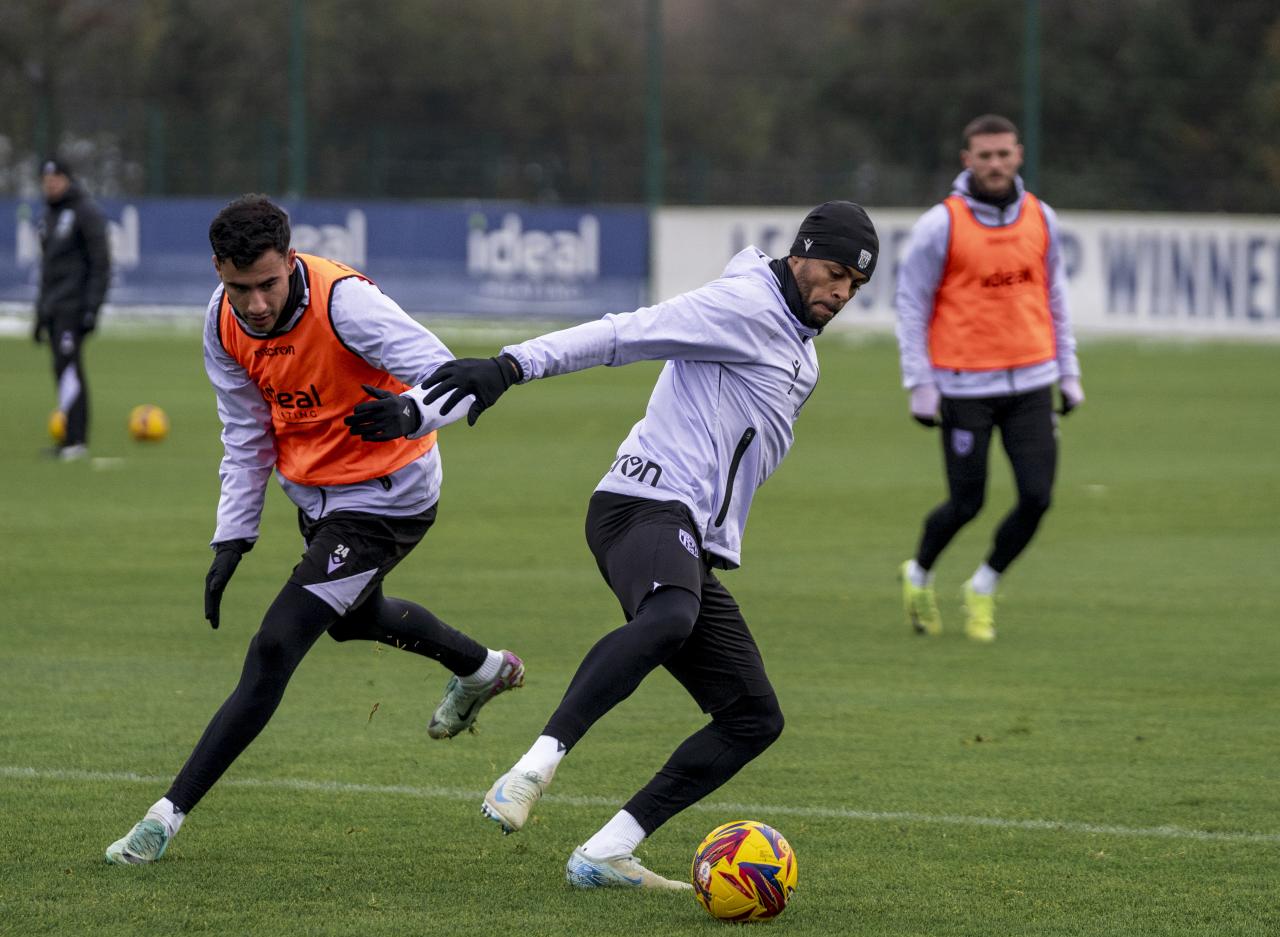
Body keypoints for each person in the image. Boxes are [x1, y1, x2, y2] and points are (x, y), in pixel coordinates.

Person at [354, 201, 878, 890]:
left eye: (855, 286)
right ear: (803, 252)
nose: (840, 293)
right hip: (642, 505)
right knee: (669, 617)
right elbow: (620, 335)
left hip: (685, 538)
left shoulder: (797, 347)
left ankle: (607, 851)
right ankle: (531, 768)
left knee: (753, 717)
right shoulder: (743, 305)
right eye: (834, 273)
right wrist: (507, 368)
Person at [104, 194, 524, 865]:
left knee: (275, 645)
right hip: (321, 498)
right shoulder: (221, 323)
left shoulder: (345, 304)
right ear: (218, 271)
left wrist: (409, 415)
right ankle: (484, 669)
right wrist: (233, 536)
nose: (256, 304)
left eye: (267, 284)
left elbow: (452, 375)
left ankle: (163, 819)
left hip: (390, 495)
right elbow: (246, 434)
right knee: (356, 619)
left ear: (290, 261)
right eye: (239, 287)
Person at [895, 114, 1084, 643]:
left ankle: (983, 584)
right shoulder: (942, 224)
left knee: (1037, 497)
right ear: (967, 161)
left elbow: (1055, 300)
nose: (996, 164)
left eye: (1004, 154)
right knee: (966, 503)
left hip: (1031, 383)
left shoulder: (1041, 218)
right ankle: (920, 573)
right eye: (985, 156)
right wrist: (921, 385)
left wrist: (1068, 374)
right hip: (964, 388)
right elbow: (910, 306)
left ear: (1019, 155)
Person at [34, 156, 111, 461]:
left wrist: (92, 307)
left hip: (74, 307)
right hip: (54, 308)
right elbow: (48, 270)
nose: (50, 185)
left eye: (55, 179)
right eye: (46, 180)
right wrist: (40, 314)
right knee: (61, 368)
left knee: (70, 369)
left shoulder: (85, 212)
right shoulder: (49, 216)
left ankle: (76, 440)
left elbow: (100, 263)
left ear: (67, 179)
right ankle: (69, 436)